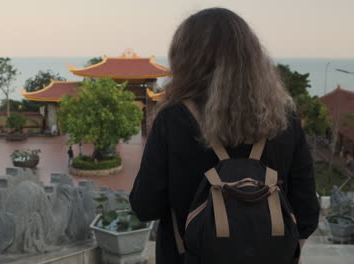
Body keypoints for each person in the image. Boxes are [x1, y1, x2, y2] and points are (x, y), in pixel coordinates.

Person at [130, 7, 319, 264]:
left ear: (186, 59)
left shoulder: (172, 119)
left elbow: (145, 206)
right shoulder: (284, 119)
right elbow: (307, 214)